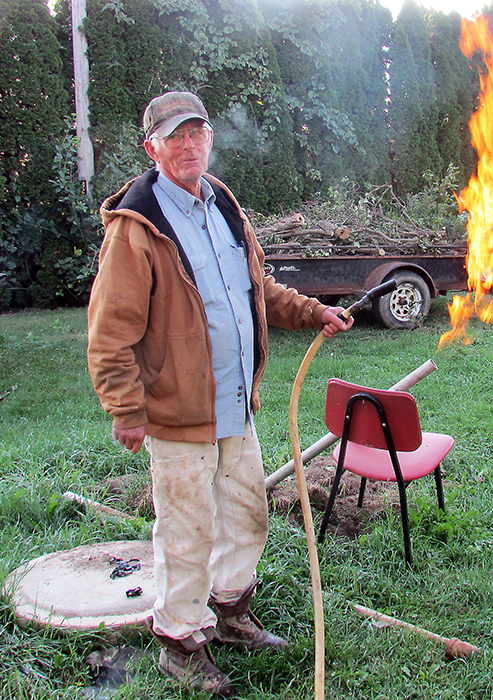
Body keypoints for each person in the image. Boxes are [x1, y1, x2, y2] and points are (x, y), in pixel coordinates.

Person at [87, 91, 353, 697]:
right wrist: (127, 411)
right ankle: (179, 640)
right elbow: (109, 333)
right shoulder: (138, 226)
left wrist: (313, 312)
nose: (188, 146)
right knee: (187, 532)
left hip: (237, 405)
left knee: (245, 514)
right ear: (150, 147)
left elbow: (255, 288)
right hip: (177, 414)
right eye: (174, 136)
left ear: (209, 139)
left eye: (196, 133)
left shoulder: (222, 205)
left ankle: (229, 614)